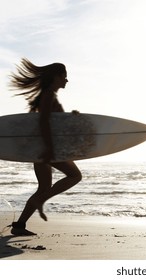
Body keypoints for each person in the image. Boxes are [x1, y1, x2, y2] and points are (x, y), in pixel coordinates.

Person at [9, 58, 82, 236]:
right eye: (64, 76)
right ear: (56, 77)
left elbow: (54, 123)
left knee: (43, 187)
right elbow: (44, 123)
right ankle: (41, 200)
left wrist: (69, 117)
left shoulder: (48, 95)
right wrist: (49, 149)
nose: (66, 80)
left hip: (40, 149)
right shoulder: (48, 94)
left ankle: (19, 225)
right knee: (75, 176)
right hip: (47, 149)